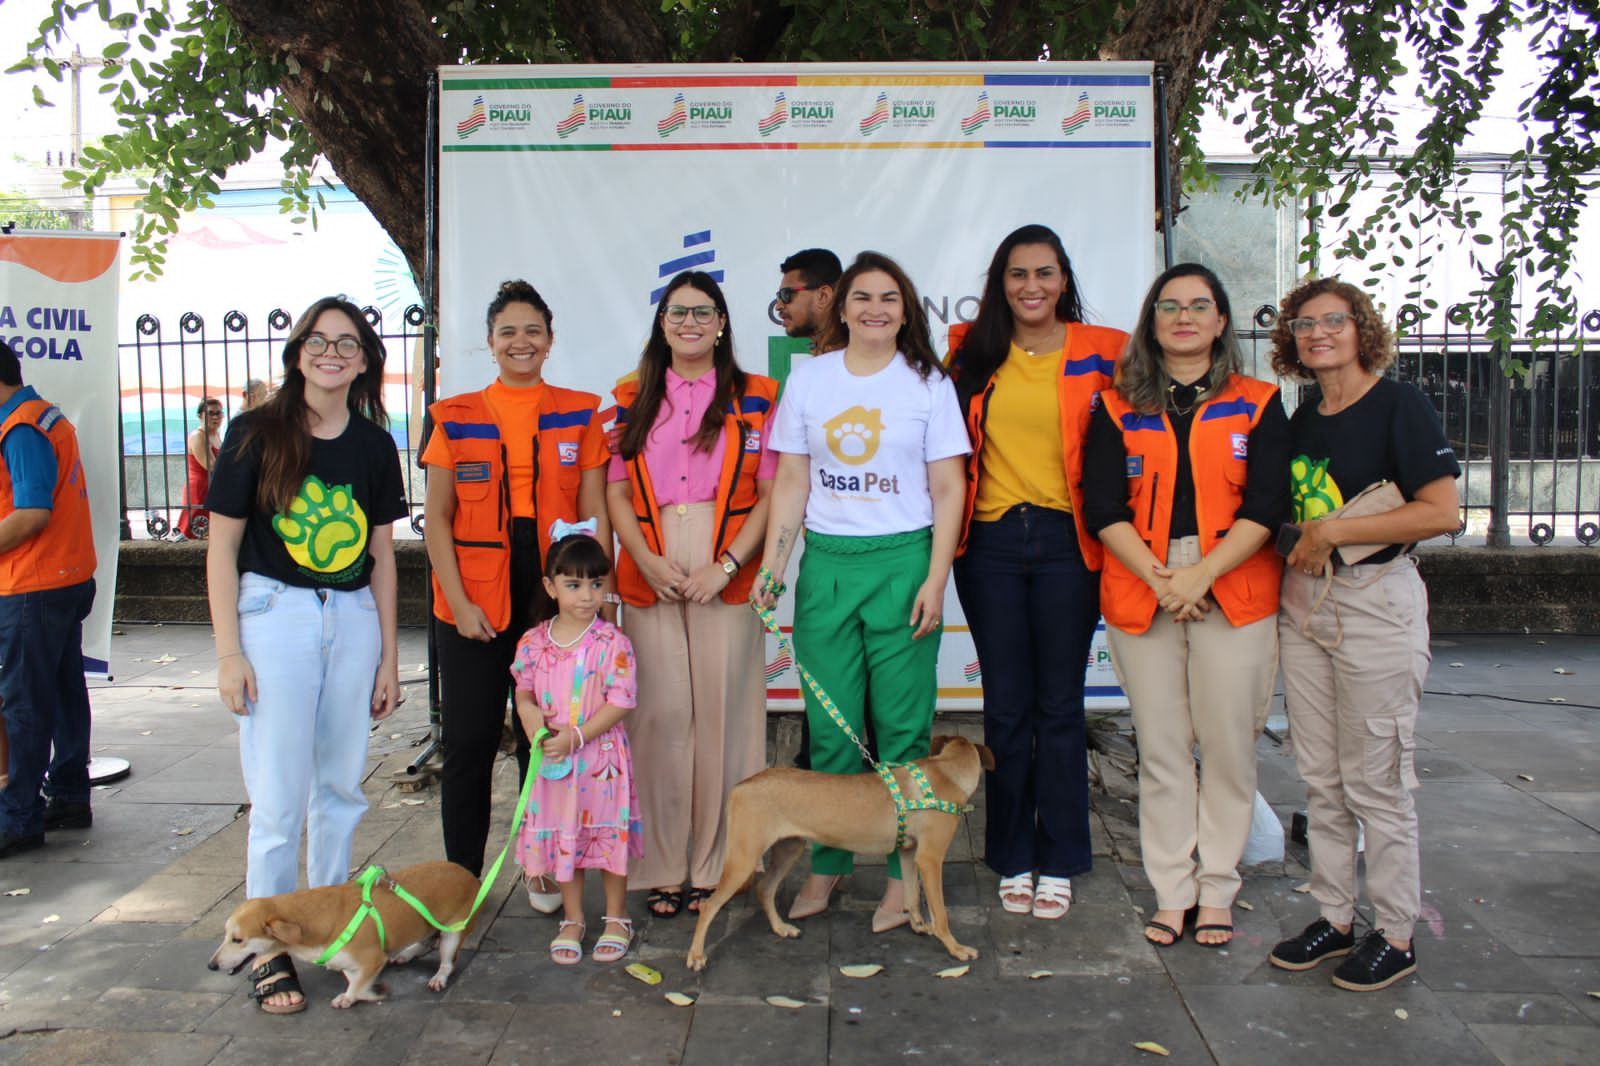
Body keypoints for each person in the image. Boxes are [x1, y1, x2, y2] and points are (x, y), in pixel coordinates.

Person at [757, 251, 969, 931]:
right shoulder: (810, 379)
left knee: (904, 734)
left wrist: (936, 580)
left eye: (889, 298)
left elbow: (948, 488)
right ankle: (827, 871)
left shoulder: (928, 383)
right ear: (840, 307)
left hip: (904, 565)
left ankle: (905, 882)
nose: (875, 309)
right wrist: (774, 567)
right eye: (862, 297)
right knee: (832, 735)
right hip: (828, 569)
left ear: (906, 311)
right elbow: (791, 481)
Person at [205, 297, 406, 1014]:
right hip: (276, 616)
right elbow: (222, 548)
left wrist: (388, 658)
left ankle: (331, 929)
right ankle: (266, 947)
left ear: (364, 359)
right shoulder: (254, 434)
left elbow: (382, 554)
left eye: (347, 343)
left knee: (342, 788)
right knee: (279, 794)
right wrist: (231, 653)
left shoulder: (375, 446)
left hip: (350, 617)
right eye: (319, 342)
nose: (332, 353)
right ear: (298, 353)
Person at [1081, 263, 1289, 947]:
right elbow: (1104, 507)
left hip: (1232, 578)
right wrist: (1167, 577)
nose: (1184, 317)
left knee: (1228, 746)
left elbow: (1266, 506)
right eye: (1169, 307)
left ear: (1222, 321)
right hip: (1145, 576)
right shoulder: (1116, 405)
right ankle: (1172, 890)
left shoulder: (1259, 401)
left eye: (1200, 306)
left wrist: (1199, 575)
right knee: (1165, 749)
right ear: (1153, 322)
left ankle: (1219, 887)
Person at [1265, 277, 1460, 992]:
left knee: (1377, 781)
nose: (1318, 334)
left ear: (1360, 328)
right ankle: (1334, 916)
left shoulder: (1399, 404)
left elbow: (1442, 512)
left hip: (1376, 603)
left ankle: (1397, 932)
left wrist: (1337, 530)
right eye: (1304, 324)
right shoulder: (1306, 414)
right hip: (1309, 602)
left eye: (1332, 321)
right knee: (1321, 777)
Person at [945, 223, 1126, 921]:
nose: (1031, 287)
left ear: (1063, 280)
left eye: (1044, 273)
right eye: (1018, 274)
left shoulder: (1103, 350)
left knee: (1060, 706)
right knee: (1007, 708)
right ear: (1000, 283)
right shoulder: (971, 350)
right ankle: (1011, 852)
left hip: (1066, 542)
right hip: (988, 542)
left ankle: (1064, 857)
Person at [421, 280, 611, 902]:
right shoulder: (454, 416)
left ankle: (541, 862)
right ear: (489, 343)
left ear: (550, 341)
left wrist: (588, 600)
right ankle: (459, 879)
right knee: (470, 740)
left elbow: (592, 513)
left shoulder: (581, 412)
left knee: (546, 734)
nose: (521, 341)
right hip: (472, 598)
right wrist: (459, 601)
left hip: (550, 595)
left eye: (533, 330)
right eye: (508, 331)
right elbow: (439, 519)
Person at [608, 270, 778, 918]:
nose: (690, 323)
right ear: (662, 322)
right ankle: (661, 865)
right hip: (651, 558)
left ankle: (715, 862)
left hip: (725, 559)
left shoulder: (758, 396)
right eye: (678, 312)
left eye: (702, 312)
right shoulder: (628, 396)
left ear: (723, 322)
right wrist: (645, 559)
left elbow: (772, 494)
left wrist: (728, 563)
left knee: (726, 717)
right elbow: (616, 490)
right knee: (660, 718)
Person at [511, 530, 641, 965]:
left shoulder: (612, 644)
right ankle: (572, 917)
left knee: (606, 836)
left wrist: (580, 736)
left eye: (596, 584)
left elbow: (622, 700)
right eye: (573, 585)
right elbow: (523, 690)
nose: (587, 596)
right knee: (566, 836)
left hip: (602, 763)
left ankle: (617, 916)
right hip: (555, 766)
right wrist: (529, 715)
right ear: (550, 587)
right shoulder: (532, 642)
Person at [0, 339, 97, 858]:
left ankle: (18, 816)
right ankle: (67, 794)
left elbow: (31, 511)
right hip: (63, 576)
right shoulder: (45, 416)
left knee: (26, 703)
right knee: (60, 693)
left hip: (32, 584)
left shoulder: (18, 428)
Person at [177, 397, 223, 539]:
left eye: (219, 413)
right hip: (199, 489)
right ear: (200, 415)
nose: (216, 417)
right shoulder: (199, 436)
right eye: (211, 413)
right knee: (194, 531)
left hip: (212, 488)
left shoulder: (215, 435)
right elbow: (211, 465)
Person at [776, 248, 842, 341]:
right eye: (779, 296)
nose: (778, 306)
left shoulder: (860, 352)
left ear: (823, 296)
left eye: (786, 294)